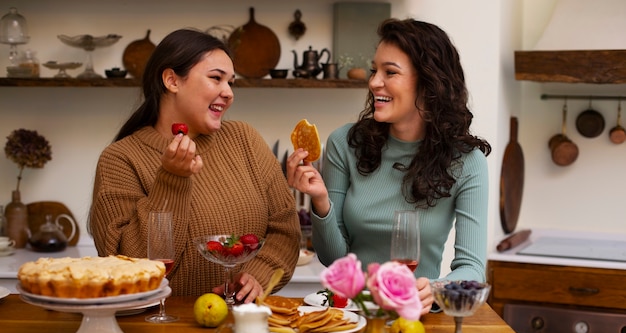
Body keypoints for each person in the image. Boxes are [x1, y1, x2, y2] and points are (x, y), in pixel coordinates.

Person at [287, 18, 492, 315]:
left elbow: (472, 268)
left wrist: (434, 290)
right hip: (349, 313)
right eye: (374, 70)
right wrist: (320, 201)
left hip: (416, 317)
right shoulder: (344, 143)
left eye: (390, 72)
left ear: (429, 81)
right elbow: (335, 260)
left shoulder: (467, 162)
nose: (373, 82)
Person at [89, 29, 300, 302]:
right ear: (172, 80)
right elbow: (131, 266)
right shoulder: (120, 159)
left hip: (240, 321)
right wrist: (171, 180)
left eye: (231, 83)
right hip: (159, 329)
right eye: (216, 78)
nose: (228, 93)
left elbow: (285, 228)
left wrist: (259, 276)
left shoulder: (245, 140)